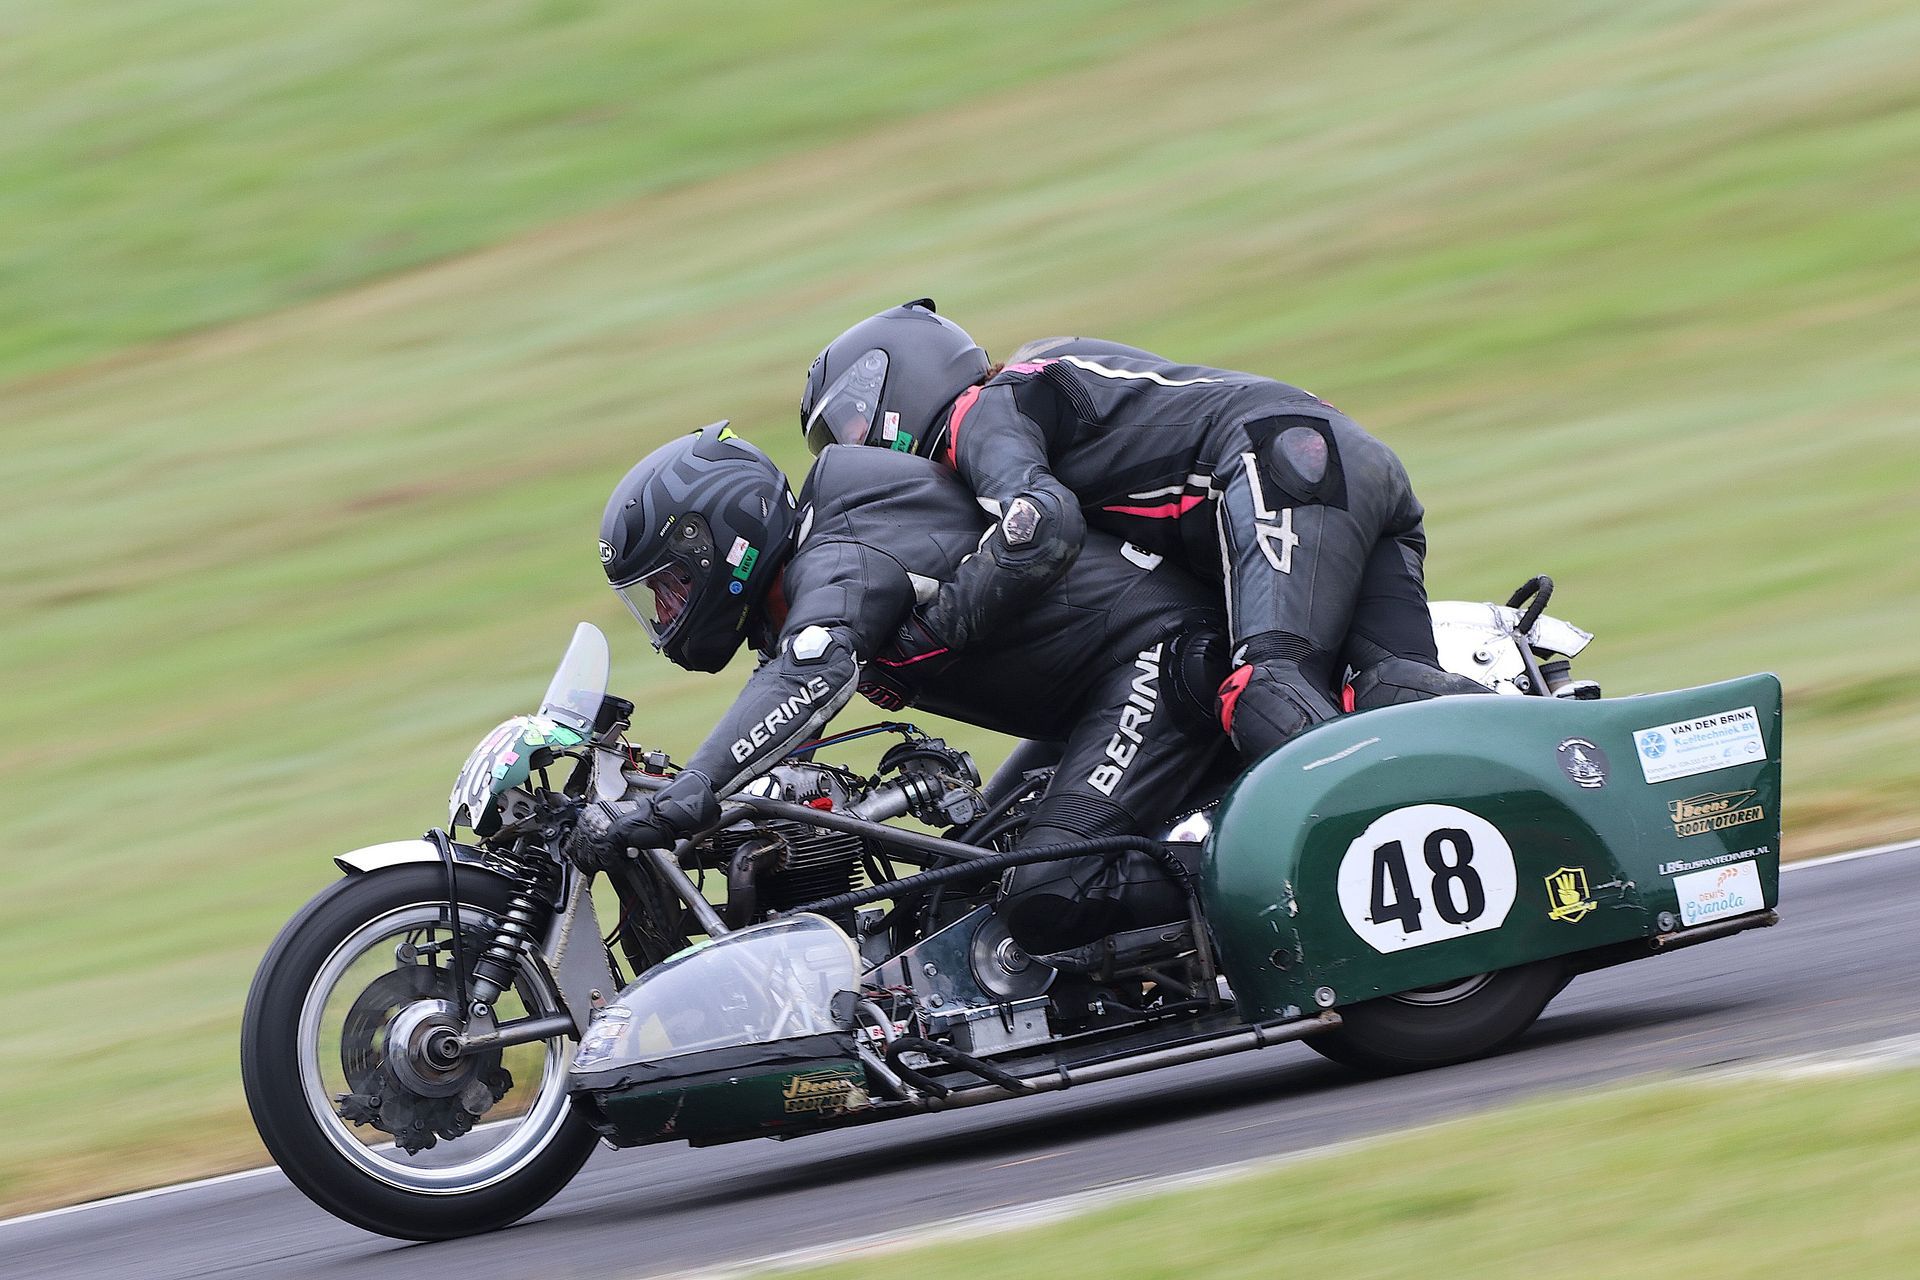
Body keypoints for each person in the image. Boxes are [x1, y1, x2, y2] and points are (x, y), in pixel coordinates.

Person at [570, 423, 1231, 954]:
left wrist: (686, 798)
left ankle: (1267, 888)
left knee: (1047, 894)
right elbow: (780, 714)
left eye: (672, 584)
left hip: (1157, 661)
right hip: (1100, 694)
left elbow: (811, 676)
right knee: (961, 895)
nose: (665, 613)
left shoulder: (842, 553)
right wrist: (667, 791)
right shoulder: (809, 579)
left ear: (723, 543)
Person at [799, 301, 1485, 762]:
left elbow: (1037, 526)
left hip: (1280, 465)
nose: (856, 453)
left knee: (1265, 689)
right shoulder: (1032, 385)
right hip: (1335, 459)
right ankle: (1563, 759)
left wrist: (933, 632)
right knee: (1388, 692)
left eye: (852, 427)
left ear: (900, 386)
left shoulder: (981, 414)